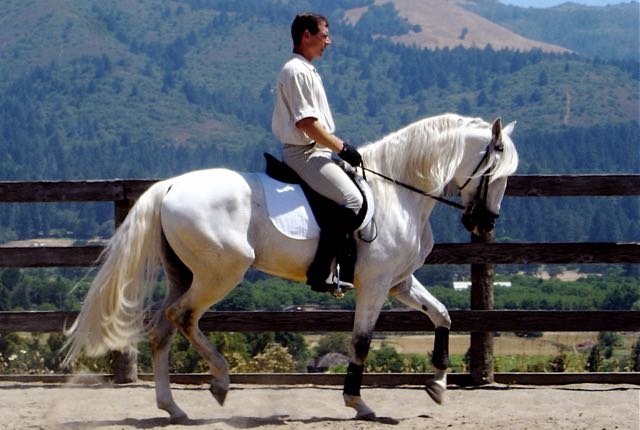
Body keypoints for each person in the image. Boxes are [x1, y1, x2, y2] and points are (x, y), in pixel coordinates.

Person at [272, 12, 363, 294]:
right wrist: (341, 148)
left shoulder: (305, 69)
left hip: (315, 151)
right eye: (324, 35)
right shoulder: (297, 71)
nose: (328, 42)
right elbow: (307, 124)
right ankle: (321, 271)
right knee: (353, 200)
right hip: (304, 153)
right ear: (306, 35)